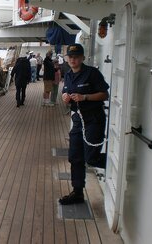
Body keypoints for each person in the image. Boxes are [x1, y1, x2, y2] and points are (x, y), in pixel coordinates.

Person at [59, 44, 109, 205]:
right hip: (78, 120)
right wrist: (64, 97)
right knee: (75, 157)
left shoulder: (92, 73)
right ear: (67, 59)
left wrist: (85, 97)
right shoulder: (67, 75)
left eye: (76, 56)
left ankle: (120, 166)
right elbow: (65, 93)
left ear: (82, 58)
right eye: (70, 57)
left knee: (91, 158)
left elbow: (104, 94)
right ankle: (78, 192)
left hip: (93, 119)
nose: (73, 59)